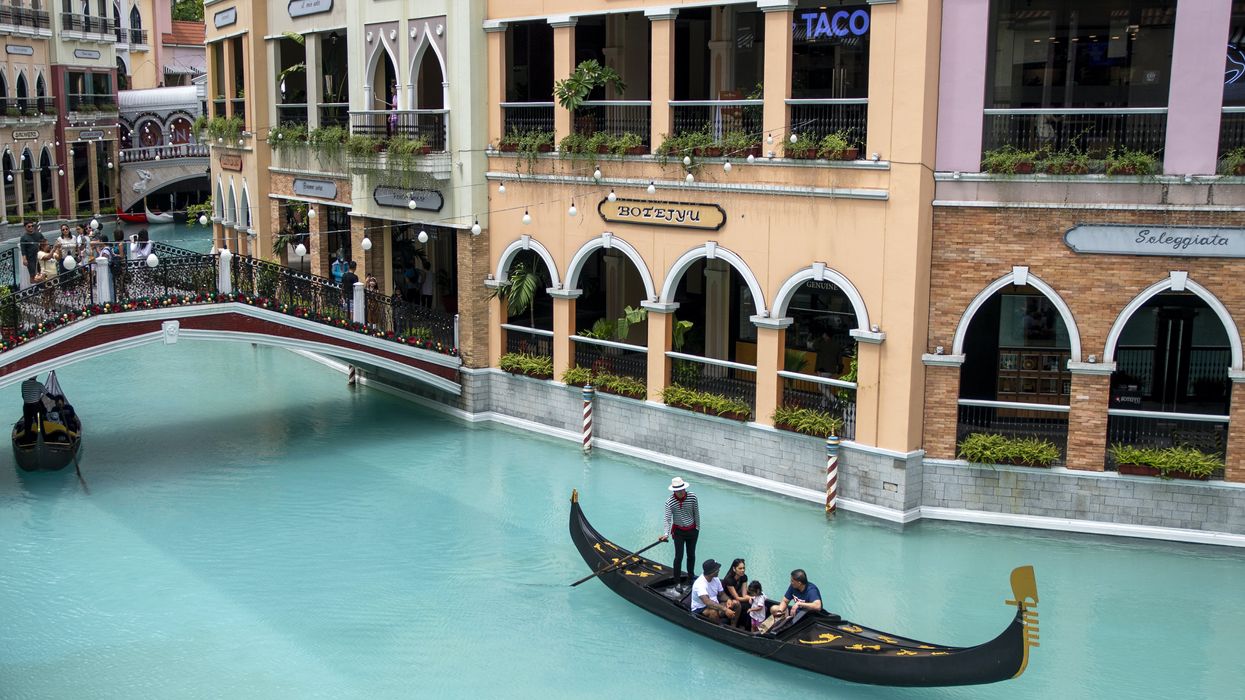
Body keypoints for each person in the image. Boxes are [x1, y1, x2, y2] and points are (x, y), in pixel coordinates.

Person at [657, 476, 699, 587]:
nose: (681, 492)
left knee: (691, 555)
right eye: (678, 490)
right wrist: (666, 534)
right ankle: (677, 581)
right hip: (678, 532)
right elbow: (667, 519)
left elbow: (696, 513)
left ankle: (691, 577)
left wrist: (697, 528)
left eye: (682, 489)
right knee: (678, 556)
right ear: (674, 491)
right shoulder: (669, 502)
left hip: (692, 531)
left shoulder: (693, 497)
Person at [689, 559, 739, 625]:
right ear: (711, 572)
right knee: (713, 612)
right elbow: (708, 603)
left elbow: (721, 594)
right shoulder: (700, 584)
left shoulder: (716, 579)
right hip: (701, 609)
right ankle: (719, 631)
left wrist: (728, 600)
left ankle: (733, 627)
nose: (719, 570)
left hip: (715, 604)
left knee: (736, 603)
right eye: (717, 569)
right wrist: (725, 609)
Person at [721, 558, 752, 630]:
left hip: (737, 598)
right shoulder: (729, 580)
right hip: (727, 600)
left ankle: (743, 626)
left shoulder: (744, 577)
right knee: (740, 603)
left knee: (748, 604)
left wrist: (754, 598)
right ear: (734, 569)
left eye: (744, 568)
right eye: (740, 568)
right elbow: (737, 597)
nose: (743, 570)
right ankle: (733, 626)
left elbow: (744, 595)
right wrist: (750, 598)